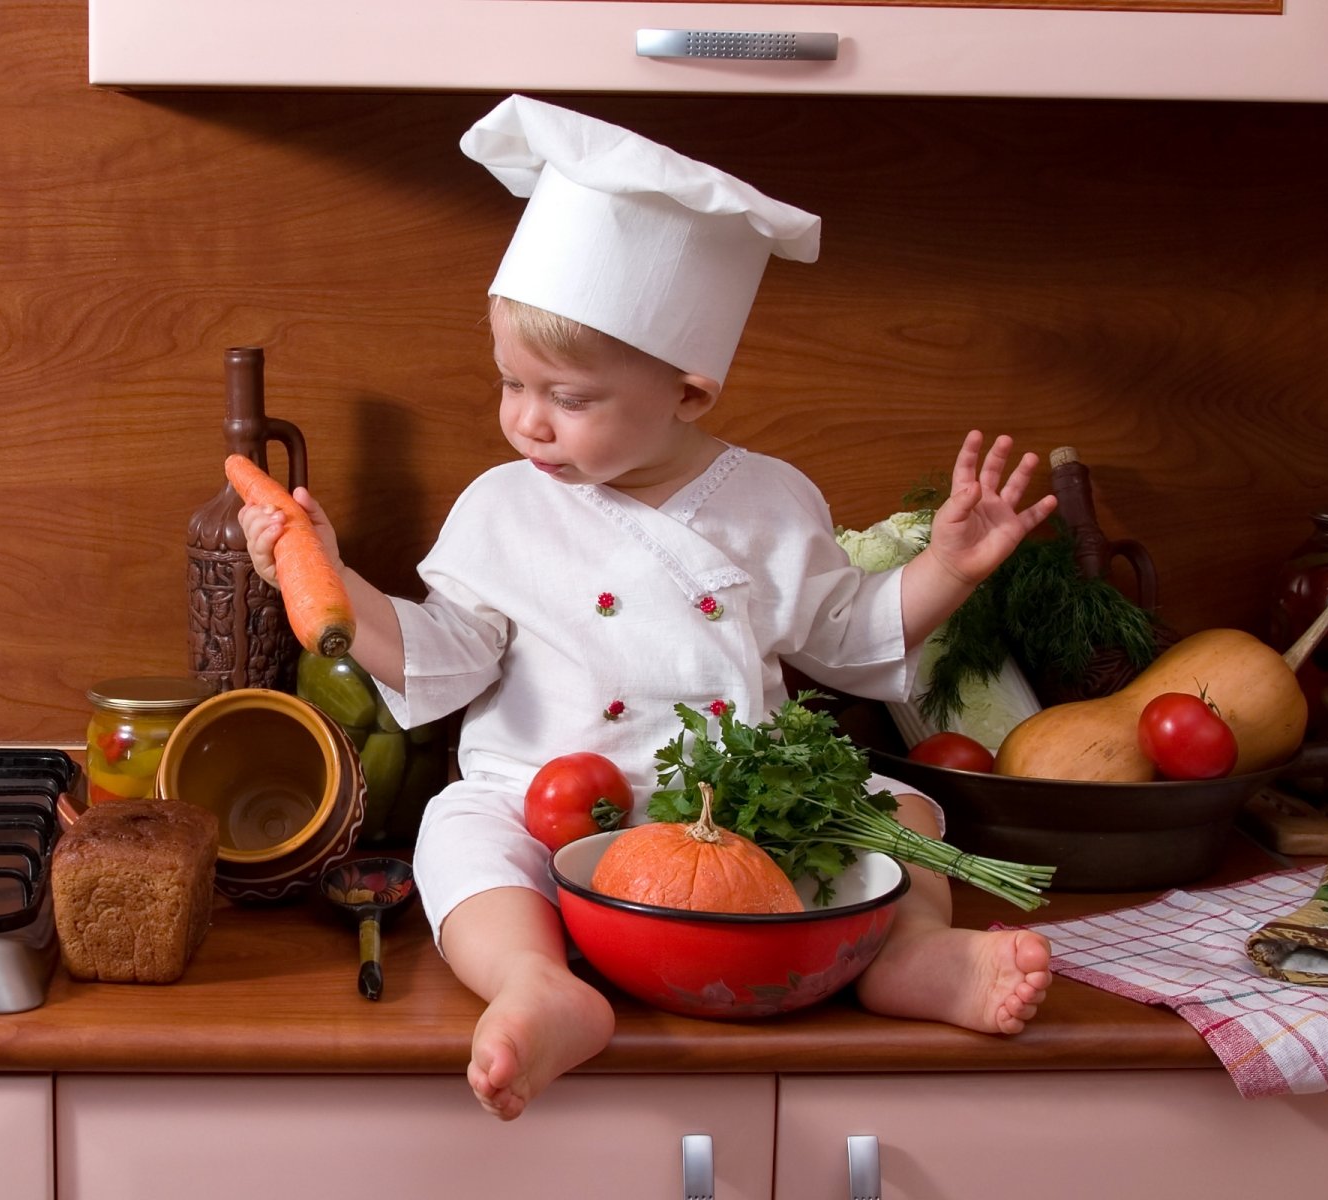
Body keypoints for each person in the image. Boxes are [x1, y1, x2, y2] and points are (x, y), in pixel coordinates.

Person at [239, 95, 1056, 1122]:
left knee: (903, 811)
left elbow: (851, 640)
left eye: (571, 398)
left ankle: (915, 958)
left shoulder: (769, 501)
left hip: (728, 813)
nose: (529, 420)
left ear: (690, 393)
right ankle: (538, 984)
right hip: (546, 805)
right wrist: (329, 578)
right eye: (510, 383)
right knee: (457, 830)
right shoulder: (502, 507)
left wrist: (953, 566)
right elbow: (444, 655)